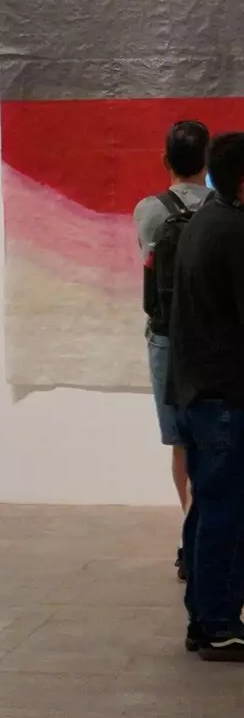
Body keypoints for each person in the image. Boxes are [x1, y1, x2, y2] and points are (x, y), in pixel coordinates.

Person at [170, 132, 244, 659]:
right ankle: (219, 623)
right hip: (225, 397)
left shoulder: (204, 222)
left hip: (200, 391)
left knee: (209, 508)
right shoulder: (234, 231)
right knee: (226, 513)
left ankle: (204, 618)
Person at [133, 119, 211, 579]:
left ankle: (189, 536)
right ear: (208, 162)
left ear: (166, 160)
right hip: (213, 339)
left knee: (180, 441)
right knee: (216, 436)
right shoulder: (224, 210)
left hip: (165, 337)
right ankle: (210, 537)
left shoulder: (149, 210)